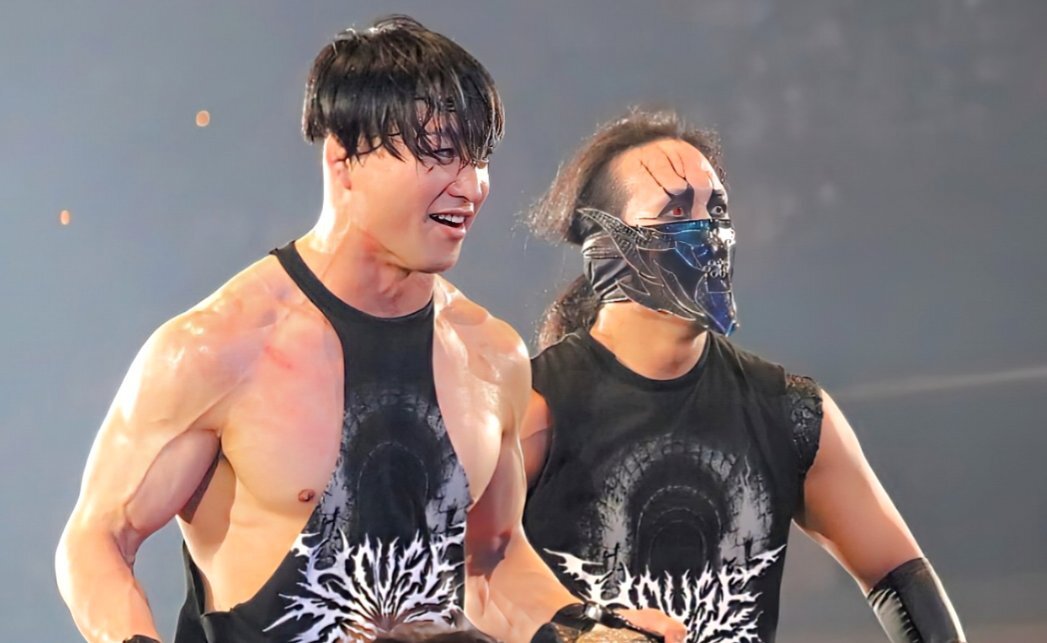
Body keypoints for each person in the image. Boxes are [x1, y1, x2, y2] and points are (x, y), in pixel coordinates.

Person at [54, 17, 683, 643]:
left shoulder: (492, 356)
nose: (470, 186)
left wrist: (584, 627)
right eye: (441, 153)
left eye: (480, 158)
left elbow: (492, 561)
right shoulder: (218, 347)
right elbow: (98, 541)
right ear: (344, 158)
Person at [519, 109, 966, 642]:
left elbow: (903, 583)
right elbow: (470, 580)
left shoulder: (788, 411)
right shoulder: (531, 405)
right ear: (608, 244)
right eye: (676, 209)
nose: (709, 231)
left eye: (717, 209)